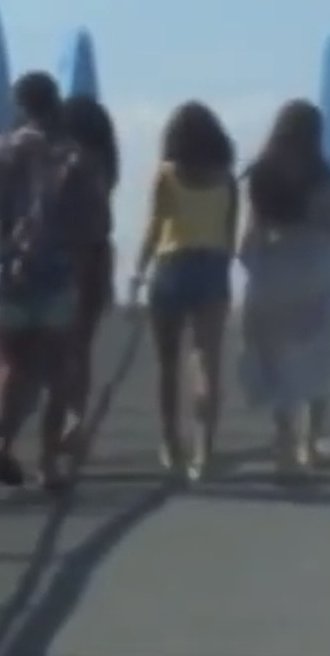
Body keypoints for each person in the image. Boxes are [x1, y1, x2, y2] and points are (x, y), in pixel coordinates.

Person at [0, 71, 109, 492]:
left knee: (10, 365)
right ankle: (49, 463)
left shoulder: (0, 150)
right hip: (57, 277)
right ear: (56, 106)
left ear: (19, 107)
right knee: (57, 370)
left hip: (10, 278)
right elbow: (98, 222)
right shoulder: (75, 156)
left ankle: (2, 441)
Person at [238, 98, 330, 476]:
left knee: (280, 362)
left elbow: (249, 236)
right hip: (317, 273)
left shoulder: (261, 176)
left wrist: (254, 268)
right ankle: (311, 444)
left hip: (273, 273)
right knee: (317, 357)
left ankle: (285, 443)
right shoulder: (328, 181)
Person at [129, 100, 237, 482]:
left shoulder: (166, 174)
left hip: (172, 267)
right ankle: (203, 453)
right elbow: (229, 232)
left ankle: (171, 444)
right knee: (207, 361)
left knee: (167, 364)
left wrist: (137, 273)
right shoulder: (227, 177)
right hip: (212, 267)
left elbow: (154, 227)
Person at [60, 94, 121, 452]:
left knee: (53, 350)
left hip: (58, 260)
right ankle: (74, 420)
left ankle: (56, 423)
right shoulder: (105, 164)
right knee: (80, 349)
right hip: (95, 257)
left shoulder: (58, 161)